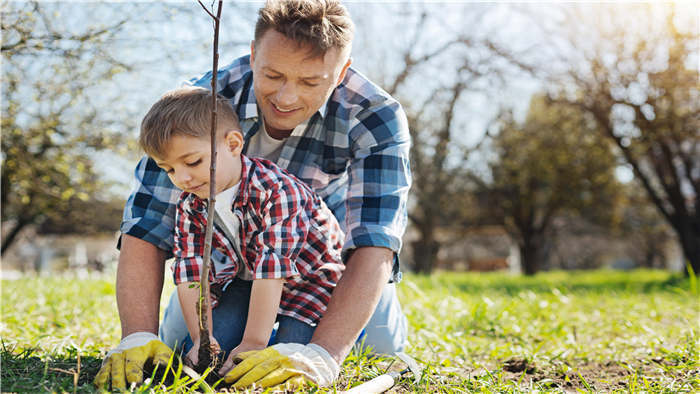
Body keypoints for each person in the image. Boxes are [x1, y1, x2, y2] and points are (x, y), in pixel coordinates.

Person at [96, 0, 411, 390]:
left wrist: (324, 355)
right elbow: (148, 223)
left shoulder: (374, 114)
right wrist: (138, 335)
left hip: (324, 267)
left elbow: (374, 239)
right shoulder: (195, 105)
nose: (286, 97)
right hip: (235, 265)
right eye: (273, 74)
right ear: (252, 54)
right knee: (183, 348)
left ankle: (350, 335)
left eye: (311, 82)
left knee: (376, 348)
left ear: (341, 72)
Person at [139, 86, 345, 372]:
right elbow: (190, 272)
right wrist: (202, 338)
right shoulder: (190, 204)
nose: (182, 178)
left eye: (192, 162)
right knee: (204, 355)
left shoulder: (278, 191)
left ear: (234, 145)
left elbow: (273, 271)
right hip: (248, 279)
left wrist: (254, 343)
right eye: (169, 169)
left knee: (285, 357)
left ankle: (290, 334)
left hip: (311, 283)